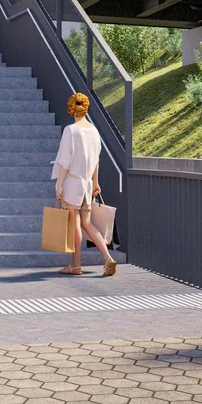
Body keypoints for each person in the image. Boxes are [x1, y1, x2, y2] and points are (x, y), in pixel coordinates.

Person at [52, 92, 117, 277]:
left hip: (72, 185)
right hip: (87, 185)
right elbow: (96, 160)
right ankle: (108, 258)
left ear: (71, 108)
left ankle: (75, 265)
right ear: (86, 108)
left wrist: (59, 186)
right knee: (87, 224)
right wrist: (95, 182)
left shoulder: (70, 131)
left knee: (75, 226)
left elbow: (65, 162)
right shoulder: (94, 131)